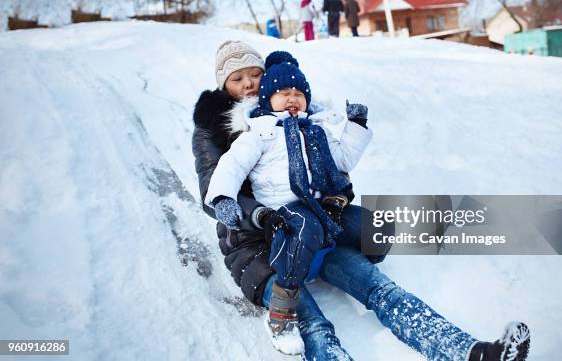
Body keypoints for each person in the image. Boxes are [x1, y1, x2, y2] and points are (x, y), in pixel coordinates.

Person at [192, 41, 531, 361]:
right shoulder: (217, 130)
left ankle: (470, 352)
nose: (249, 83)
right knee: (310, 321)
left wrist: (336, 200)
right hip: (255, 244)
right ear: (224, 85)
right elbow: (215, 193)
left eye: (255, 74)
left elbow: (334, 169)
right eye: (238, 79)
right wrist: (261, 216)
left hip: (316, 230)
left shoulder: (302, 119)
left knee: (381, 288)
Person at [204, 50, 371, 352]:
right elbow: (230, 167)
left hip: (319, 209)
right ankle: (282, 307)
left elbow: (343, 161)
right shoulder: (259, 132)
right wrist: (223, 199)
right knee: (303, 225)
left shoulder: (314, 128)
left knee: (373, 226)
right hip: (276, 218)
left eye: (298, 93)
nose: (248, 84)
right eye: (283, 93)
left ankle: (351, 263)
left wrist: (357, 125)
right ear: (268, 99)